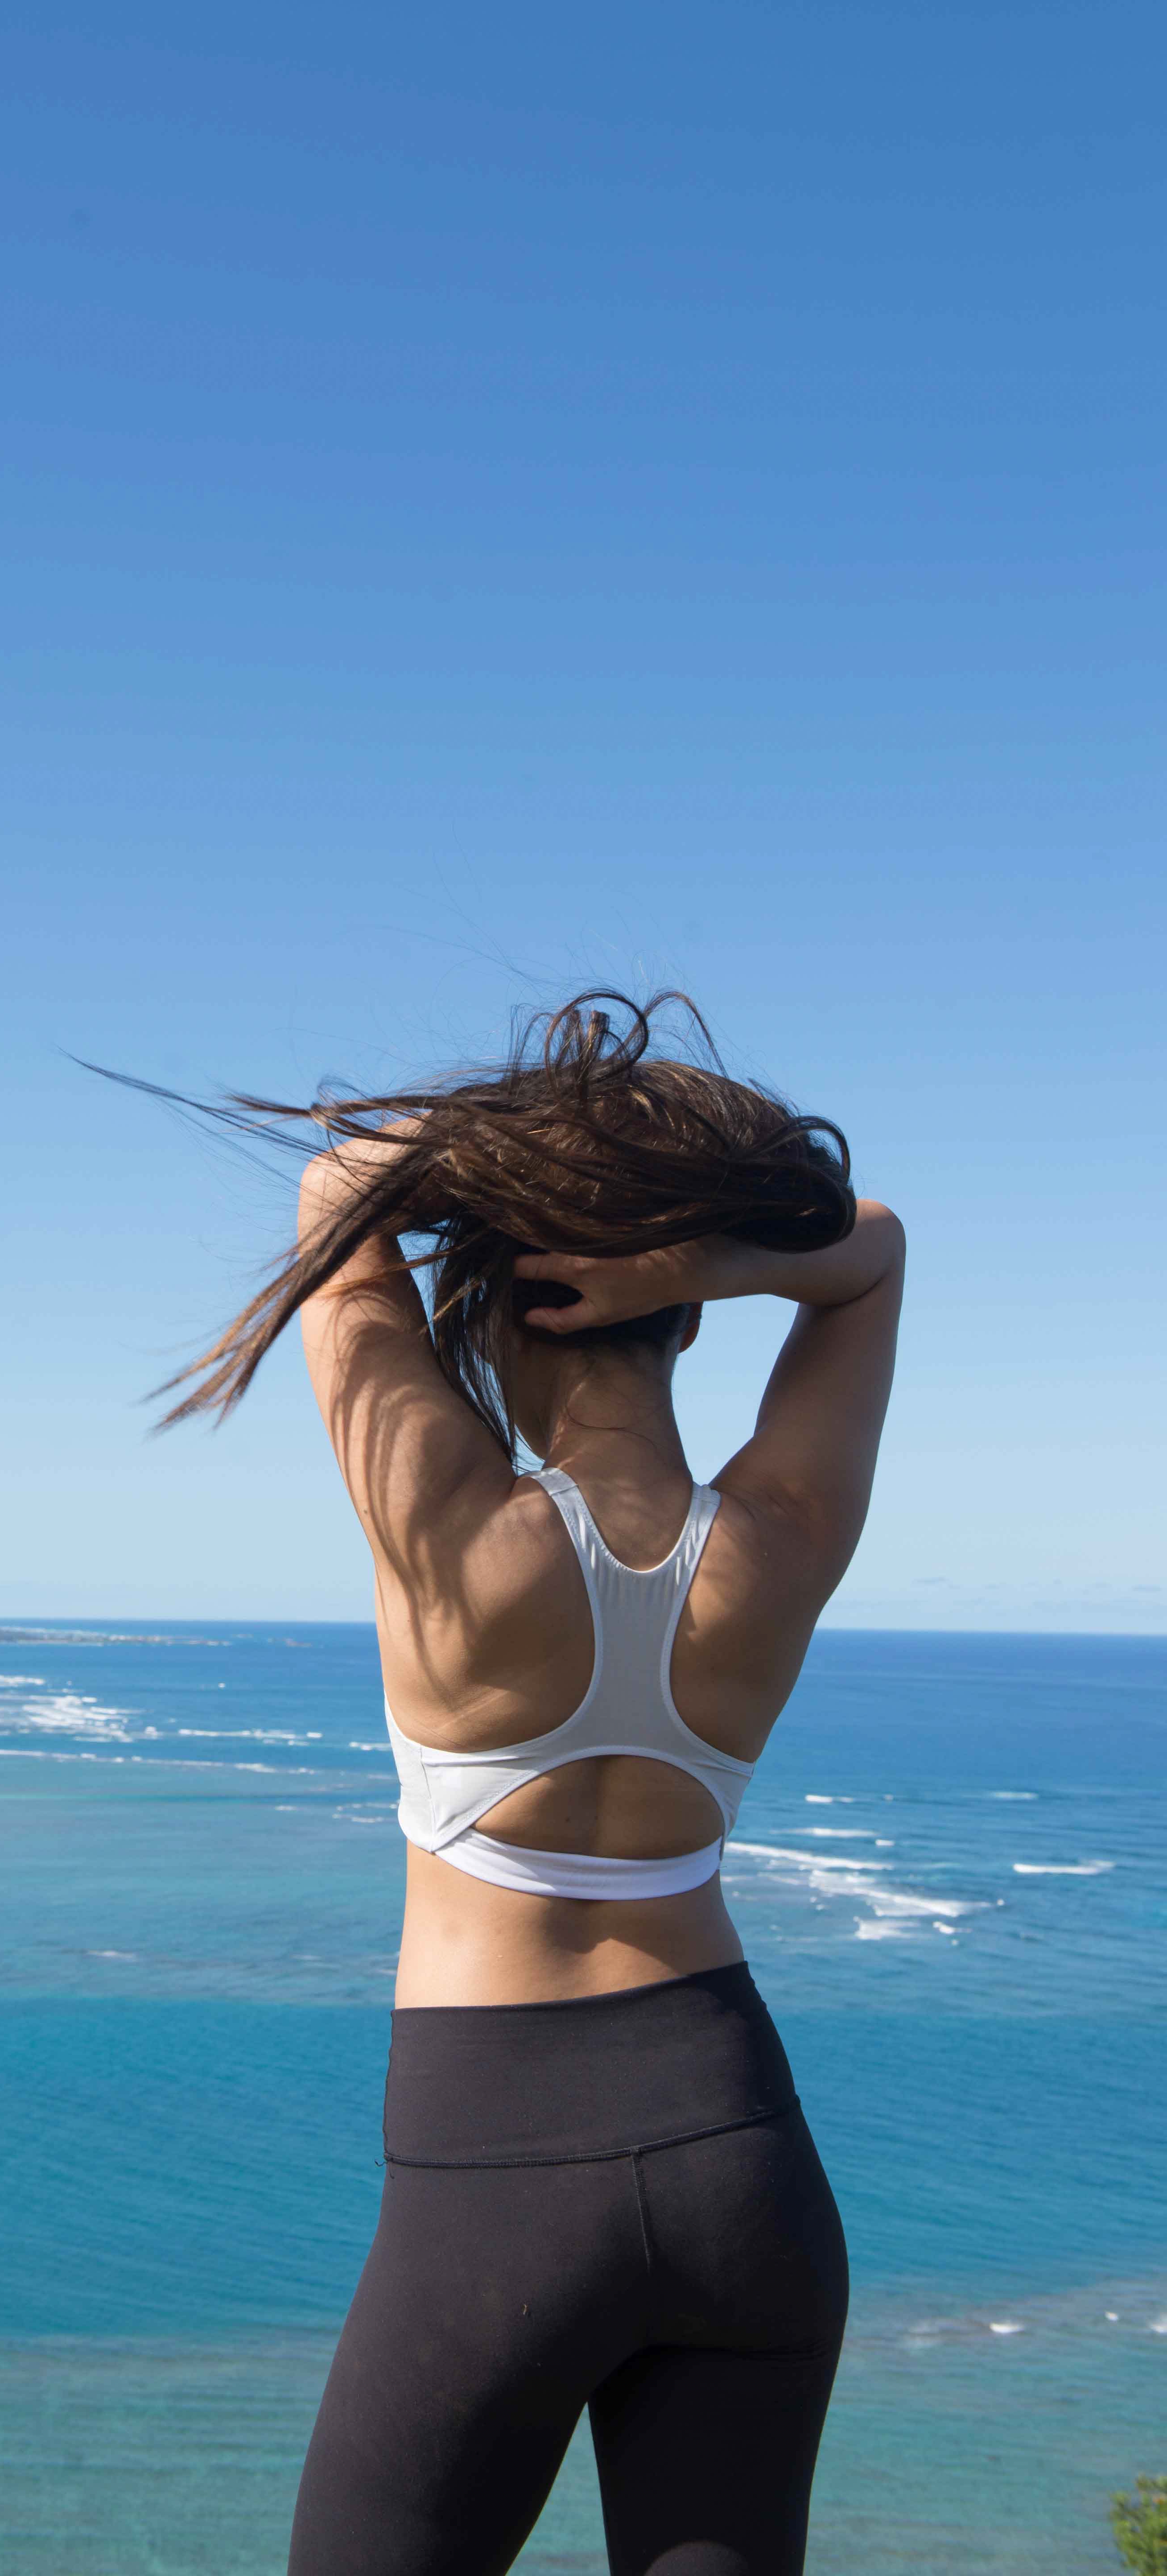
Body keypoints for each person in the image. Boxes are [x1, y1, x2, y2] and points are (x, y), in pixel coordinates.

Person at [145, 992, 904, 2576]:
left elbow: (333, 1186)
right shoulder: (774, 1539)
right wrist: (695, 1248)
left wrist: (523, 1167)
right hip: (744, 2154)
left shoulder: (454, 1535)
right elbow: (872, 1249)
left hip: (497, 2176)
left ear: (488, 1307)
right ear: (689, 1318)